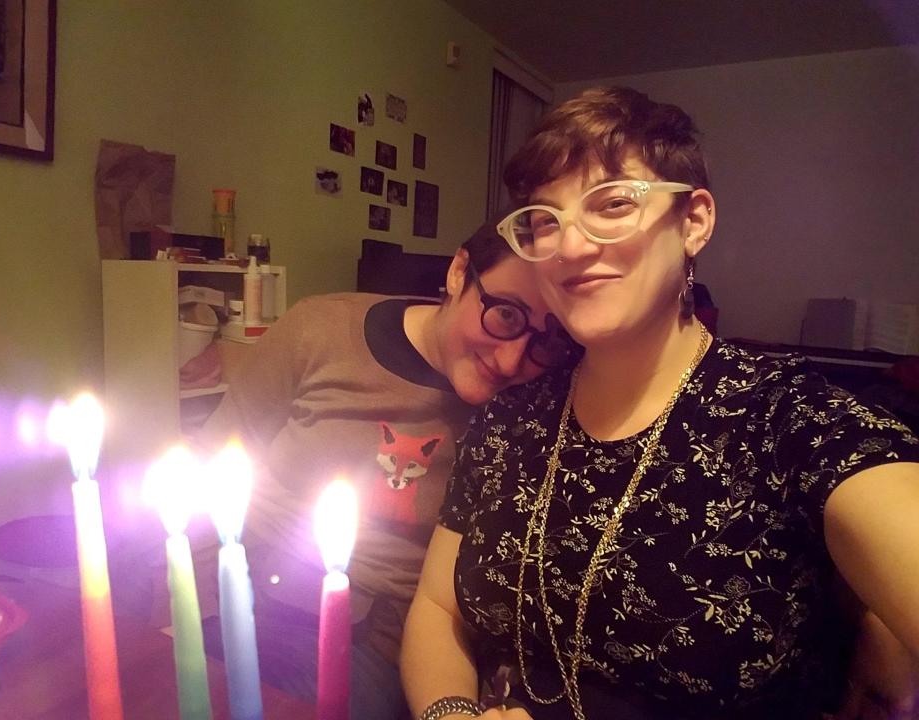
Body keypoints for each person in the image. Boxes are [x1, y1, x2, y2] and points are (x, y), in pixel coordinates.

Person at [401, 87, 919, 720]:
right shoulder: (514, 416)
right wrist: (451, 715)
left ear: (694, 221)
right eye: (545, 220)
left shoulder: (790, 420)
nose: (569, 247)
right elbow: (436, 608)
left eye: (613, 203)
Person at [193, 219, 580, 720]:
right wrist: (184, 600)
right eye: (505, 315)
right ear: (460, 271)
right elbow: (213, 462)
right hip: (233, 576)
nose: (511, 360)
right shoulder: (319, 328)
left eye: (545, 342)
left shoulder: (535, 404)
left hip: (368, 634)